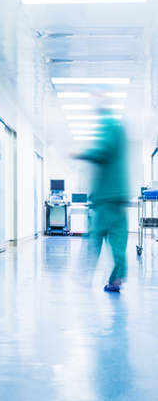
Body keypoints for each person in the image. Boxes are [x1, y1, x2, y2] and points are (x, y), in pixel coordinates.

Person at [73, 116, 129, 292]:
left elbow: (100, 153)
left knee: (95, 238)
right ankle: (116, 279)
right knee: (119, 242)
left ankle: (85, 274)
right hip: (119, 200)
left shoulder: (108, 128)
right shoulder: (120, 132)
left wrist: (79, 153)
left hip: (105, 200)